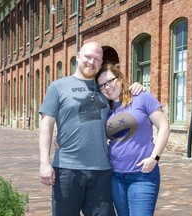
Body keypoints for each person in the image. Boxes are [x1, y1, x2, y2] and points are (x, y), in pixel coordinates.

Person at [39, 42, 145, 216]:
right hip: (67, 169)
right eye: (88, 57)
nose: (91, 62)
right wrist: (44, 163)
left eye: (97, 59)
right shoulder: (58, 87)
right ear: (78, 56)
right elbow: (46, 125)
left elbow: (124, 104)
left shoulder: (105, 88)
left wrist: (137, 87)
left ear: (101, 62)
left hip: (102, 170)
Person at [95, 63, 170, 216]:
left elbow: (164, 126)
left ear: (120, 78)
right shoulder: (105, 109)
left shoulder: (141, 97)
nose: (107, 87)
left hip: (142, 175)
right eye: (102, 85)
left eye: (110, 81)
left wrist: (154, 158)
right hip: (116, 176)